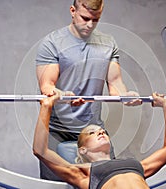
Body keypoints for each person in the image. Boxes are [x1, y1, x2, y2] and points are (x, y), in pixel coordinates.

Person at [35, 0, 142, 180]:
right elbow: (47, 86)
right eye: (85, 18)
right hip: (57, 130)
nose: (90, 25)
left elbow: (116, 84)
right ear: (72, 11)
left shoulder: (108, 43)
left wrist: (126, 96)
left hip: (93, 129)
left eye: (96, 19)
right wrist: (62, 95)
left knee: (109, 182)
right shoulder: (52, 43)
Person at [33, 91, 166, 189]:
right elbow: (40, 151)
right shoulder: (85, 173)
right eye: (92, 132)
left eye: (103, 131)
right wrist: (46, 106)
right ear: (82, 149)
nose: (101, 132)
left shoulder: (137, 165)